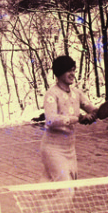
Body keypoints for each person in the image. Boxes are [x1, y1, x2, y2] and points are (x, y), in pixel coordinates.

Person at [40, 55, 97, 185]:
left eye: (73, 70)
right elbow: (50, 120)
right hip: (53, 149)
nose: (72, 74)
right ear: (59, 73)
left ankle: (39, 204)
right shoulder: (52, 94)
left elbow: (93, 111)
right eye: (68, 71)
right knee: (66, 188)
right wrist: (77, 118)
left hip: (70, 150)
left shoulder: (77, 93)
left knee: (64, 188)